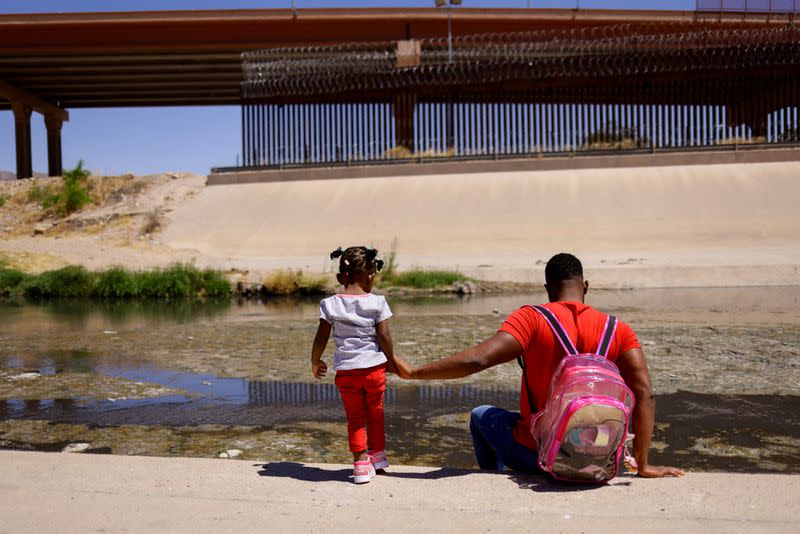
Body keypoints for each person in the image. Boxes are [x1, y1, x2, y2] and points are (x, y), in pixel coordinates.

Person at [393, 253, 684, 478]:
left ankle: (494, 478)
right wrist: (643, 464)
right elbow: (645, 393)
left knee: (480, 415)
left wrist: (414, 371)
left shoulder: (532, 319)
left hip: (542, 457)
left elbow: (476, 360)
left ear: (547, 289)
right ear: (586, 287)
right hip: (602, 461)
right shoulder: (618, 329)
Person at [311, 246, 397, 484]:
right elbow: (384, 337)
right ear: (371, 275)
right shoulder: (378, 302)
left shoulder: (330, 304)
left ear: (341, 277)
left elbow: (321, 338)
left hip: (347, 372)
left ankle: (360, 464)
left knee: (356, 418)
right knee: (376, 413)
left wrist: (315, 361)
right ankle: (377, 457)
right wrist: (391, 360)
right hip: (374, 370)